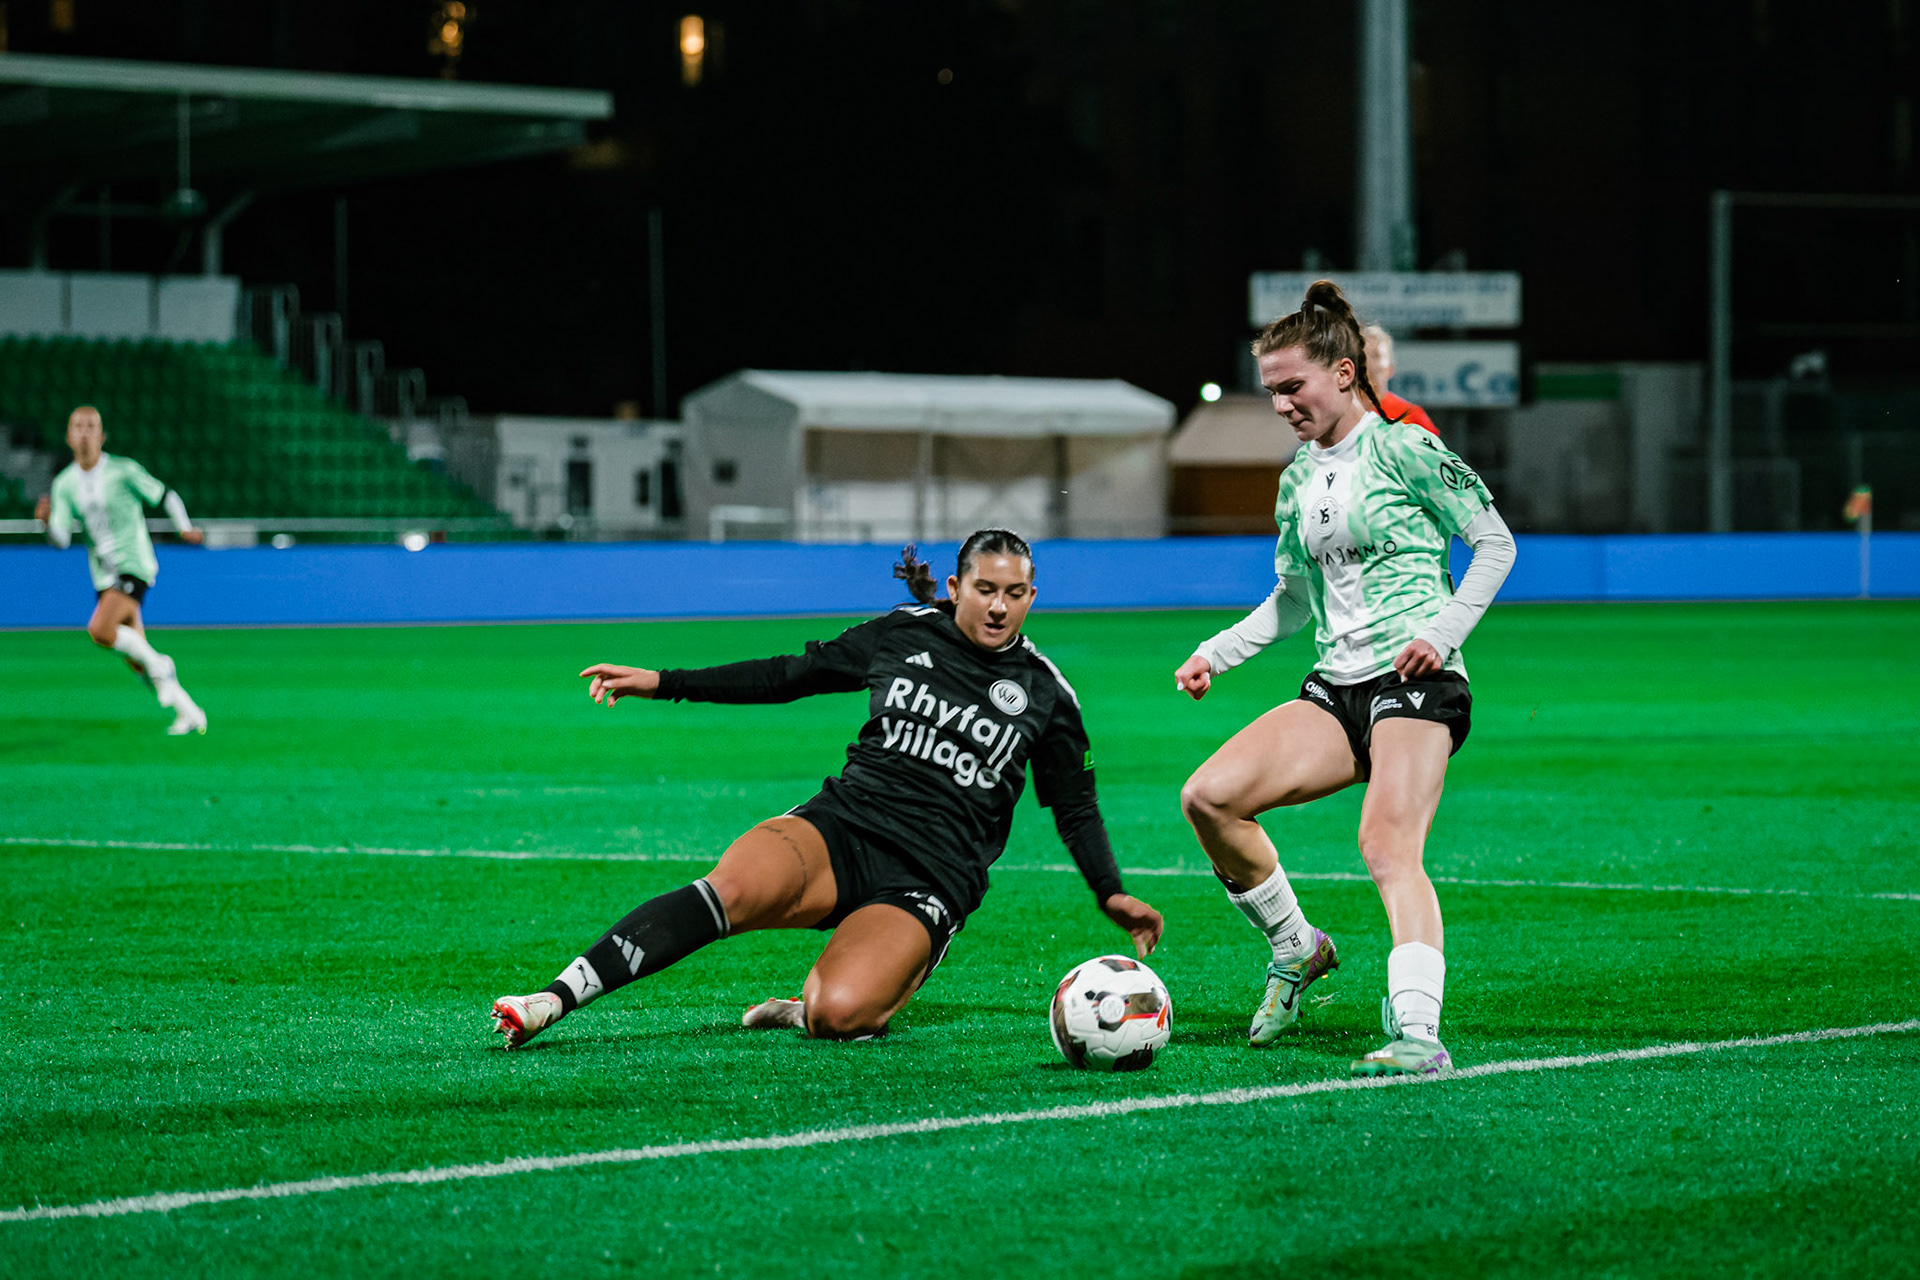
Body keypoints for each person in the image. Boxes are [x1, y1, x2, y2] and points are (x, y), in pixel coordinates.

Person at [491, 529, 1165, 1048]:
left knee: (838, 1016)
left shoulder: (1046, 693)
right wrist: (667, 682)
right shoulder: (901, 635)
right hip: (841, 826)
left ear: (1032, 598)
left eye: (1014, 593)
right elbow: (790, 674)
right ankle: (552, 999)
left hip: (931, 873)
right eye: (985, 588)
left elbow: (1074, 807)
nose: (999, 606)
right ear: (957, 585)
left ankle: (827, 995)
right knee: (730, 890)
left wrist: (1111, 892)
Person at [1173, 281, 1515, 1077]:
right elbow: (1293, 600)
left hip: (1417, 679)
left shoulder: (1407, 447)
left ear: (1343, 371)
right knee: (1208, 798)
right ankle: (1297, 946)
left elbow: (1494, 543)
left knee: (1386, 842)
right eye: (1272, 392)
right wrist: (1215, 653)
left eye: (1293, 386)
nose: (1282, 404)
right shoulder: (1297, 479)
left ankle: (1420, 1034)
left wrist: (1441, 632)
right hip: (1338, 684)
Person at [35, 405, 208, 736]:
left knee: (100, 629)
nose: (85, 432)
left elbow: (165, 495)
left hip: (134, 564)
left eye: (91, 426)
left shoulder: (124, 470)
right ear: (69, 437)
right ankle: (191, 713)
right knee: (135, 657)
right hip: (103, 575)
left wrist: (184, 527)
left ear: (102, 436)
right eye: (78, 426)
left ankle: (162, 665)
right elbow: (60, 539)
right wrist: (46, 522)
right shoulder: (64, 484)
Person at [1362, 324, 1439, 435]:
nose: (1368, 363)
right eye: (1363, 356)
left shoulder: (1411, 415)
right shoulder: (1341, 413)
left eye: (1376, 356)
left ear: (1390, 369)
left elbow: (1432, 451)